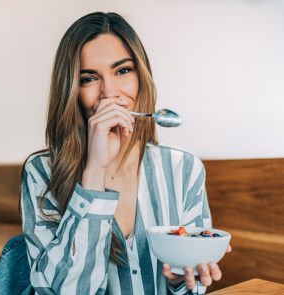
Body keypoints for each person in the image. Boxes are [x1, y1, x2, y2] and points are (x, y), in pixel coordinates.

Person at [20, 12, 231, 295]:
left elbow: (191, 282)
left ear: (141, 76)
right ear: (71, 91)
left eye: (122, 71)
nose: (109, 93)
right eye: (89, 78)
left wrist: (180, 281)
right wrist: (94, 172)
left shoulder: (184, 168)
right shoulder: (41, 171)